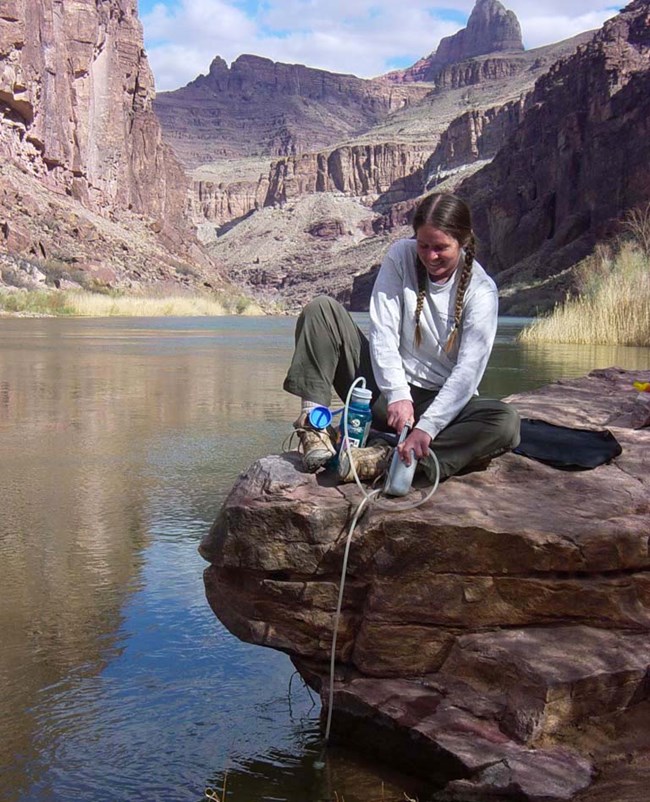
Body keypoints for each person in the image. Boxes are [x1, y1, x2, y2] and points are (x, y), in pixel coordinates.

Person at [283, 191, 520, 483]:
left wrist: (427, 428)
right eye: (423, 245)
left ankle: (390, 459)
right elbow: (383, 331)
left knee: (505, 423)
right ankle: (314, 428)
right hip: (383, 394)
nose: (430, 256)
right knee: (322, 310)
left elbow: (468, 374)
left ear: (465, 241)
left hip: (437, 406)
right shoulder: (400, 255)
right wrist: (397, 394)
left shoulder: (482, 291)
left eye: (441, 248)